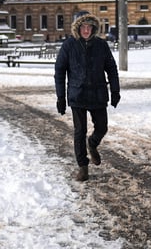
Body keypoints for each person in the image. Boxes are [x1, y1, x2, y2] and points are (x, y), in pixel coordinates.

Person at [54, 12, 120, 182]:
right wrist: (61, 98)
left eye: (89, 27)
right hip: (78, 94)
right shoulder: (69, 45)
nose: (86, 30)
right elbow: (60, 72)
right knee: (79, 131)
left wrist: (115, 91)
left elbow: (111, 69)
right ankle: (83, 166)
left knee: (102, 127)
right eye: (83, 27)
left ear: (93, 28)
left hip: (98, 94)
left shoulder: (101, 45)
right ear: (78, 28)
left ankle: (93, 143)